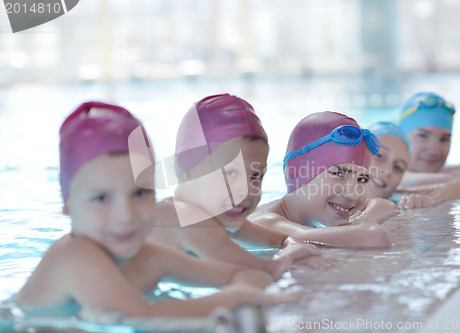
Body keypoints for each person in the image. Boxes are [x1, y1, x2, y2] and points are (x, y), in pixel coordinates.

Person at [16, 101, 296, 318]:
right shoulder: (74, 256)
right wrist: (238, 296)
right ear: (66, 204)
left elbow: (242, 275)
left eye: (140, 193)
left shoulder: (149, 257)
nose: (126, 215)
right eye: (101, 198)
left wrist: (246, 285)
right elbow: (144, 318)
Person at [149, 94, 325, 280]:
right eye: (229, 173)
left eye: (255, 176)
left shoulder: (219, 217)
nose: (246, 191)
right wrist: (292, 256)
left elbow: (281, 239)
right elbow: (264, 270)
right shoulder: (182, 218)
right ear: (187, 167)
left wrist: (292, 244)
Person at [249, 111, 393, 249]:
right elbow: (374, 237)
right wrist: (359, 225)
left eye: (361, 179)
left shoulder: (313, 212)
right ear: (295, 172)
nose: (352, 194)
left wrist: (360, 221)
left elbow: (383, 204)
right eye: (338, 173)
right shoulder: (263, 224)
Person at [398, 92, 460, 188]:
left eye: (444, 139)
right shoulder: (387, 178)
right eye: (423, 136)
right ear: (400, 137)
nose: (434, 151)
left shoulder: (445, 171)